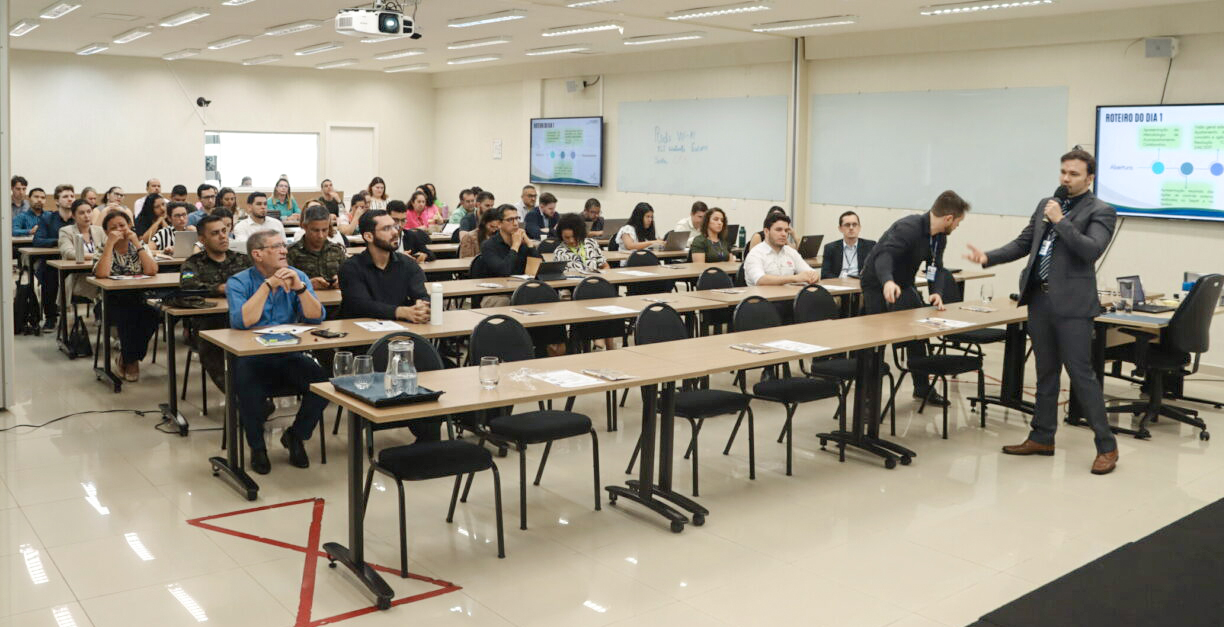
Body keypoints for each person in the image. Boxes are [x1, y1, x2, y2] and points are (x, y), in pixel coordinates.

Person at [965, 149, 1119, 474]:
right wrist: (988, 257)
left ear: (1090, 178)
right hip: (1040, 299)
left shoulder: (1101, 211)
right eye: (1063, 172)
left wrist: (1061, 221)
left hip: (1073, 305)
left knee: (1081, 375)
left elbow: (1090, 250)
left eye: (1074, 174)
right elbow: (1024, 243)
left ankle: (1107, 446)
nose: (1066, 178)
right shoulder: (1046, 204)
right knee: (1045, 372)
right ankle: (1042, 436)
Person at [226, 230, 328, 474]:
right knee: (248, 389)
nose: (284, 251)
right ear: (257, 254)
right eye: (276, 246)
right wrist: (267, 286)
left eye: (284, 245)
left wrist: (300, 289)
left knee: (323, 384)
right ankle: (257, 447)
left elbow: (316, 317)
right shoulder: (238, 282)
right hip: (252, 356)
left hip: (289, 354)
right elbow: (243, 321)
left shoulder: (297, 276)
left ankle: (296, 435)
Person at [860, 190, 969, 406]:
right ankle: (868, 399)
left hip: (904, 284)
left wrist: (936, 291)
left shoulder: (939, 237)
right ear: (949, 218)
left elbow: (935, 266)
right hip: (877, 283)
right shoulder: (908, 227)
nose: (958, 226)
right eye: (958, 221)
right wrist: (887, 281)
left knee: (917, 335)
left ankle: (922, 388)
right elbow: (884, 255)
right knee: (876, 342)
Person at [181, 214, 253, 389]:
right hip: (210, 322)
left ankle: (254, 393)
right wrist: (219, 289)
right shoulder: (192, 264)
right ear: (202, 239)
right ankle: (238, 397)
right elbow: (188, 287)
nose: (222, 236)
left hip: (245, 318)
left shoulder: (243, 259)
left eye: (224, 231)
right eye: (215, 233)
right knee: (213, 354)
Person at [93, 210, 160, 382]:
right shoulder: (102, 247)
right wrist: (110, 244)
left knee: (153, 314)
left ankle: (126, 356)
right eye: (113, 228)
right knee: (127, 313)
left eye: (122, 225)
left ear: (130, 226)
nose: (119, 230)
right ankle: (131, 362)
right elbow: (101, 274)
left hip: (139, 298)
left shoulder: (138, 246)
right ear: (106, 232)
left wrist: (137, 243)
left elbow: (152, 270)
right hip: (109, 301)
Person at [554, 213, 616, 350]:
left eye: (574, 236)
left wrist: (603, 274)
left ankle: (607, 345)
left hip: (595, 287)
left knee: (607, 298)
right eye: (566, 237)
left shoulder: (591, 244)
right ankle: (601, 340)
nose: (571, 240)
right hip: (575, 291)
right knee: (596, 300)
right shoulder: (560, 251)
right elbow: (561, 277)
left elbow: (605, 266)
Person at [472, 204, 539, 307]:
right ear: (499, 224)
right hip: (495, 293)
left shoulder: (523, 244)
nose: (516, 223)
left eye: (517, 218)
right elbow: (504, 271)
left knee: (544, 296)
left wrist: (530, 244)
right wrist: (515, 246)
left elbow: (540, 270)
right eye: (510, 220)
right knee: (504, 301)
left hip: (520, 289)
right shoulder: (489, 245)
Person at [33, 185, 77, 329]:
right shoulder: (48, 219)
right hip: (52, 261)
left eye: (72, 196)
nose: (70, 199)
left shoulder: (78, 218)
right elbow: (37, 241)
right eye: (65, 196)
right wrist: (60, 242)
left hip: (74, 261)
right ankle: (50, 317)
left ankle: (98, 315)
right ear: (57, 201)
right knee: (49, 276)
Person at [743, 213, 819, 286]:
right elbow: (760, 280)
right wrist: (795, 278)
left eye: (786, 231)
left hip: (789, 294)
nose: (784, 234)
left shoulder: (791, 252)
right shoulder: (755, 253)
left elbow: (810, 272)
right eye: (778, 230)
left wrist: (814, 275)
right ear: (766, 231)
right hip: (762, 295)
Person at [287, 206, 346, 290]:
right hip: (303, 297)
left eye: (324, 230)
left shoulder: (336, 250)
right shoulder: (291, 252)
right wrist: (307, 283)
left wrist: (342, 280)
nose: (320, 236)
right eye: (315, 230)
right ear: (305, 226)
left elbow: (349, 276)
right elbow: (284, 284)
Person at [58, 199, 105, 300]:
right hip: (78, 276)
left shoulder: (99, 230)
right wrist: (97, 256)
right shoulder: (66, 231)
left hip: (99, 273)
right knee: (102, 289)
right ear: (73, 216)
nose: (86, 216)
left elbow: (109, 251)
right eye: (81, 213)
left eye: (89, 211)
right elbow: (68, 253)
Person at [822, 210, 876, 279]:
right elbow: (825, 274)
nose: (851, 228)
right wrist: (839, 281)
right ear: (840, 228)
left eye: (854, 224)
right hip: (838, 283)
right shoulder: (830, 248)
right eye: (847, 225)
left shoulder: (870, 246)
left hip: (860, 283)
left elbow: (876, 271)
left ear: (859, 227)